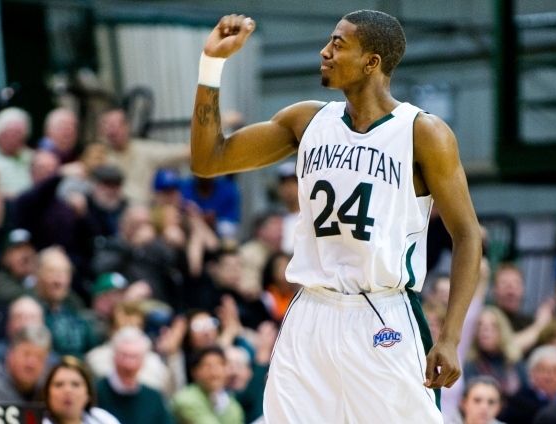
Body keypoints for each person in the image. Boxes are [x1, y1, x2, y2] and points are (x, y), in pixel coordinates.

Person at [190, 10, 482, 423]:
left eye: (338, 44)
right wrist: (211, 64)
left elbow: (467, 234)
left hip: (383, 313)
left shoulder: (423, 133)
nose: (324, 52)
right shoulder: (307, 120)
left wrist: (451, 337)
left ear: (372, 62)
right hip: (311, 311)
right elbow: (208, 160)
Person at [42, 356, 120, 424]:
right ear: (47, 393)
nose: (67, 390)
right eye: (59, 384)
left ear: (88, 394)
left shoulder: (103, 418)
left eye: (75, 384)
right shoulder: (37, 421)